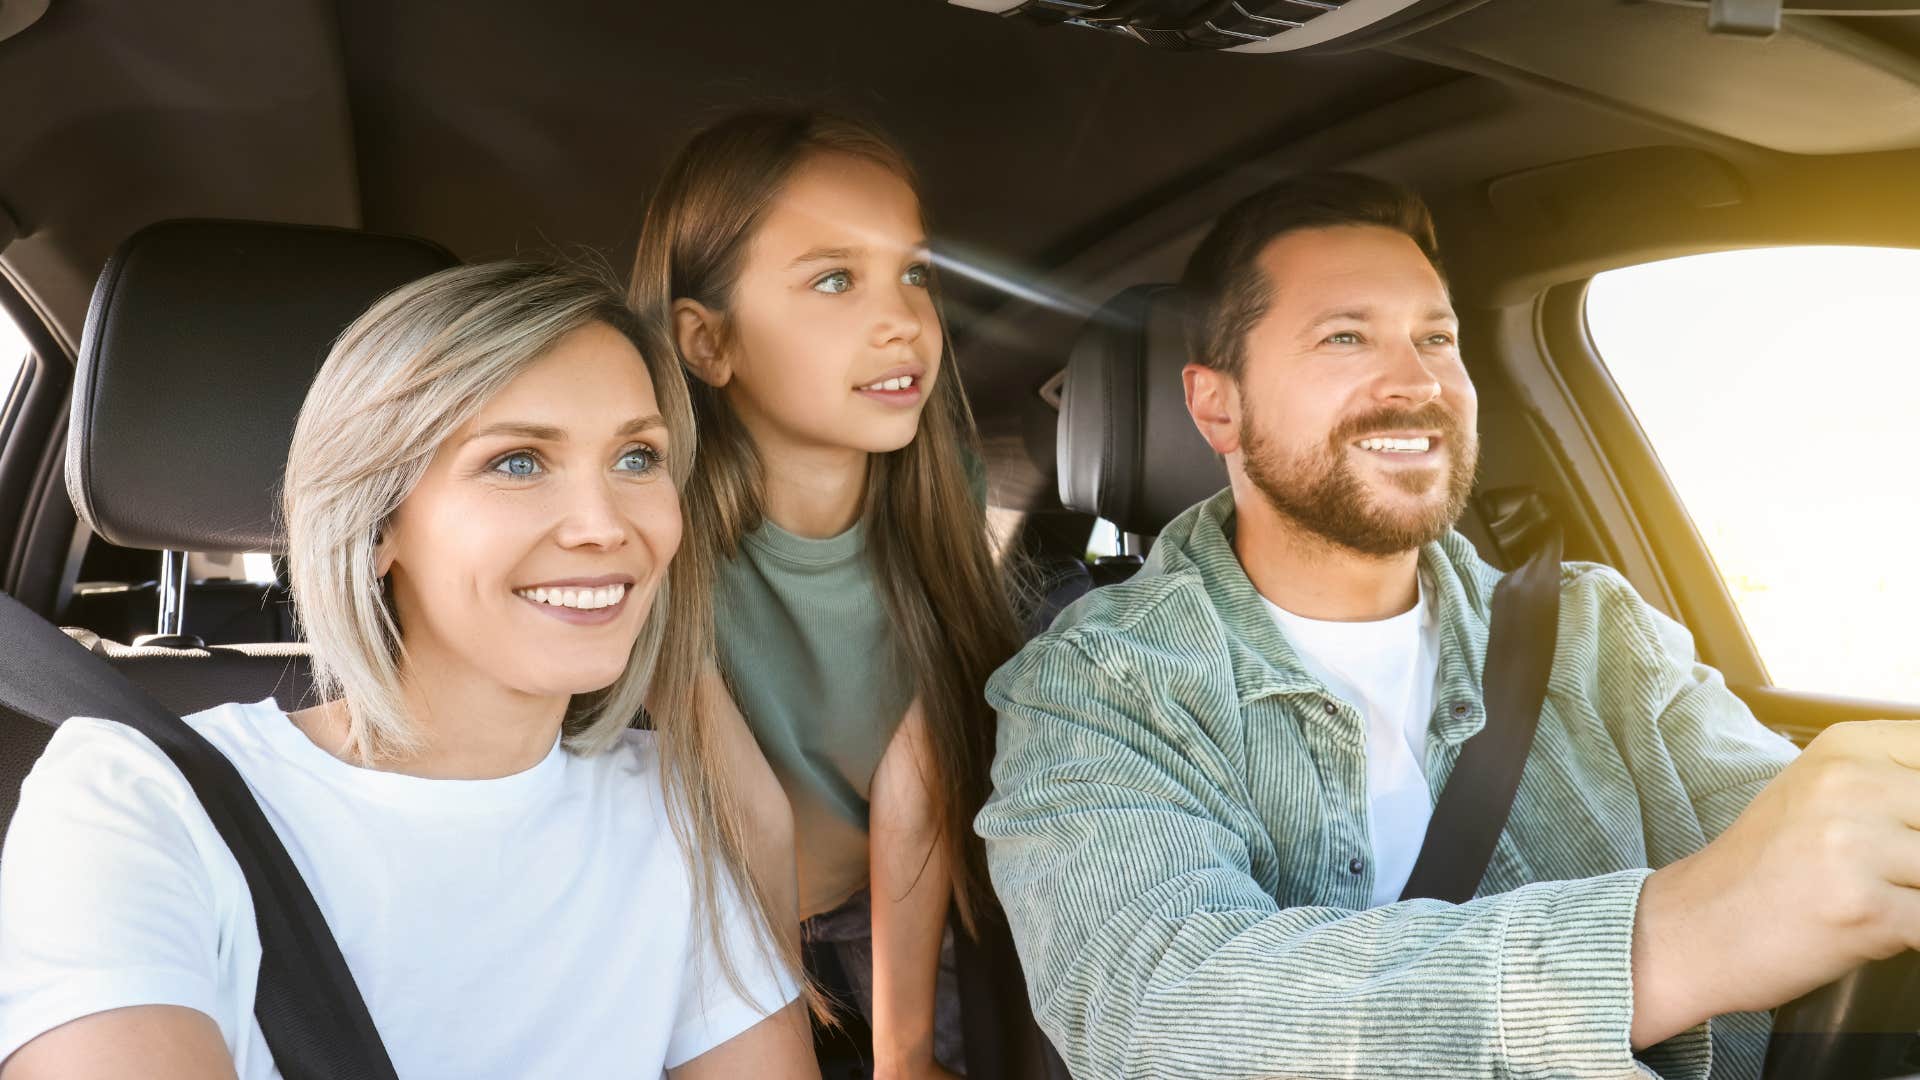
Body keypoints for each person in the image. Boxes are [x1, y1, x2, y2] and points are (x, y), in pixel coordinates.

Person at [974, 173, 1919, 1079]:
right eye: (1346, 338)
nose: (1416, 382)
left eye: (1437, 338)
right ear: (1216, 405)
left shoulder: (1593, 630)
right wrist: (1675, 936)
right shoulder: (1096, 687)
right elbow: (1165, 1020)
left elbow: (1791, 842)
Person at [0, 263, 815, 1079]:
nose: (605, 526)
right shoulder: (135, 800)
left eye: (638, 458)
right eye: (519, 462)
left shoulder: (675, 809)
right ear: (378, 523)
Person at [632, 109, 1025, 1079]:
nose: (903, 320)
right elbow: (741, 807)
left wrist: (899, 1054)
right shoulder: (659, 530)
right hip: (704, 911)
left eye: (916, 274)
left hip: (891, 906)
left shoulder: (941, 502)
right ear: (707, 342)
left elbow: (917, 787)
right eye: (835, 279)